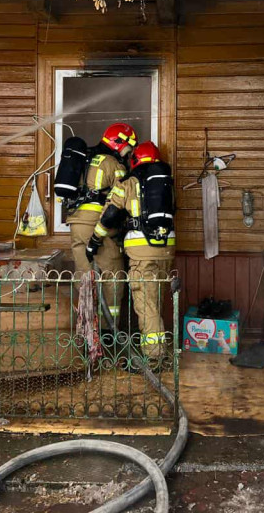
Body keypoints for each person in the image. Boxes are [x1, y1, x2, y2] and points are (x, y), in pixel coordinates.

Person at [87, 141, 175, 368]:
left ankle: (154, 358)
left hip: (142, 251)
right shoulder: (167, 182)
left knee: (146, 304)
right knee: (155, 301)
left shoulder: (129, 182)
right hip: (167, 248)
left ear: (135, 160)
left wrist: (95, 239)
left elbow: (109, 215)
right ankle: (159, 351)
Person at [65, 122, 137, 320]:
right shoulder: (113, 164)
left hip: (77, 224)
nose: (128, 152)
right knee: (111, 275)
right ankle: (107, 328)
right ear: (119, 143)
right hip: (98, 226)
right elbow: (121, 198)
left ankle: (87, 327)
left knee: (84, 276)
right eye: (128, 146)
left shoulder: (84, 158)